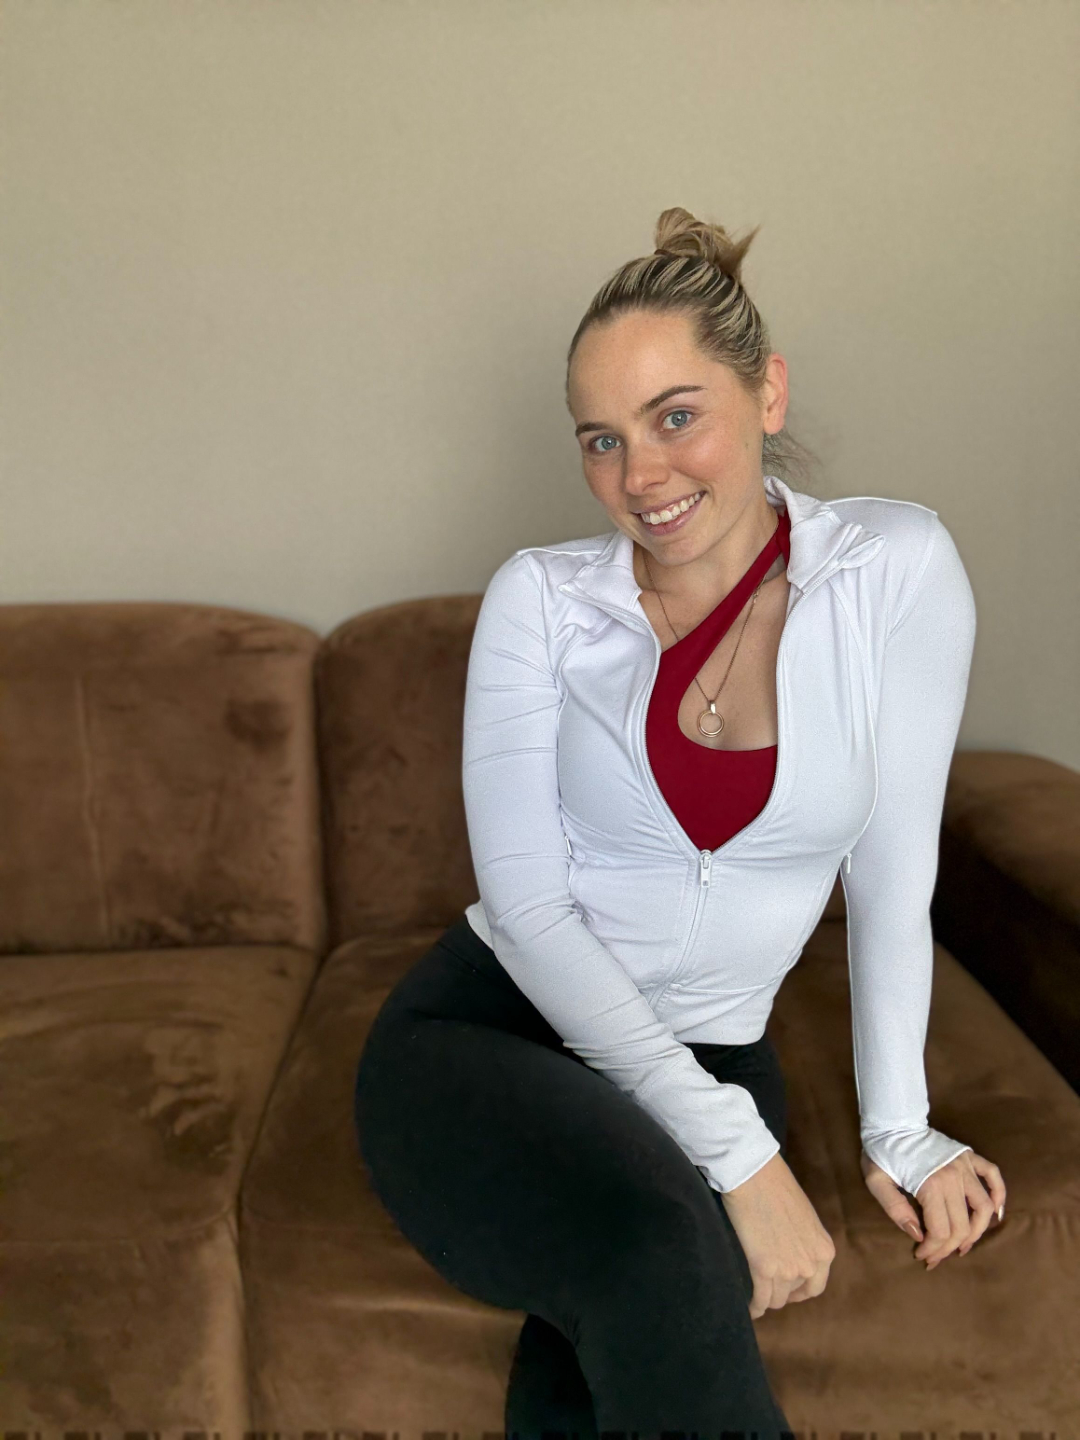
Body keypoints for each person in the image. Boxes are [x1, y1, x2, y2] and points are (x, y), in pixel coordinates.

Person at [353, 206, 1008, 1440]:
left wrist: (899, 1131)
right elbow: (530, 915)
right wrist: (741, 1157)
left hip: (712, 1053)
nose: (639, 475)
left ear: (768, 392)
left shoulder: (897, 571)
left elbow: (891, 872)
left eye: (675, 417)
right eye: (601, 439)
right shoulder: (542, 602)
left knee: (624, 1312)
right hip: (487, 1036)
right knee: (665, 1249)